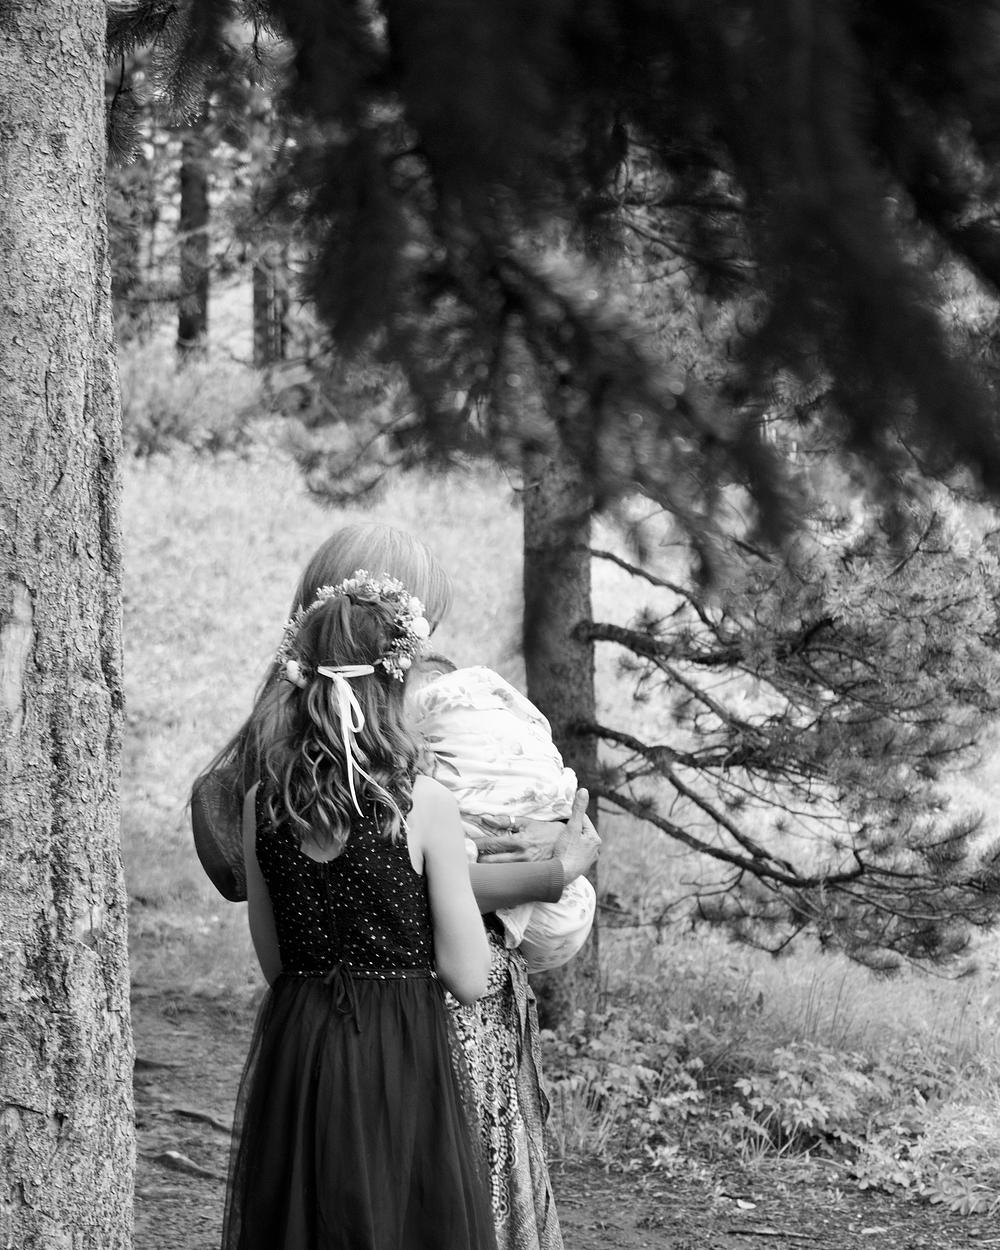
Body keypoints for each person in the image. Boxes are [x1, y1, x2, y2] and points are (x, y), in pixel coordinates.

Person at [195, 523, 600, 1250]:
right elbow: (437, 928)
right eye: (420, 623)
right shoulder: (414, 785)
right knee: (417, 1209)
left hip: (301, 1043)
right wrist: (552, 871)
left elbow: (277, 958)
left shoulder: (270, 778)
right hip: (420, 1033)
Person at [223, 571, 497, 1250]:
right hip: (396, 1050)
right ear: (394, 682)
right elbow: (469, 977)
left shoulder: (263, 804)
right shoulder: (421, 803)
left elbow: (276, 962)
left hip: (298, 1046)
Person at [408, 654, 596, 975]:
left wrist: (558, 826)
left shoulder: (465, 716)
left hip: (502, 959)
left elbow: (556, 802)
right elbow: (420, 885)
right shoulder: (387, 767)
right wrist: (557, 873)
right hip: (451, 967)